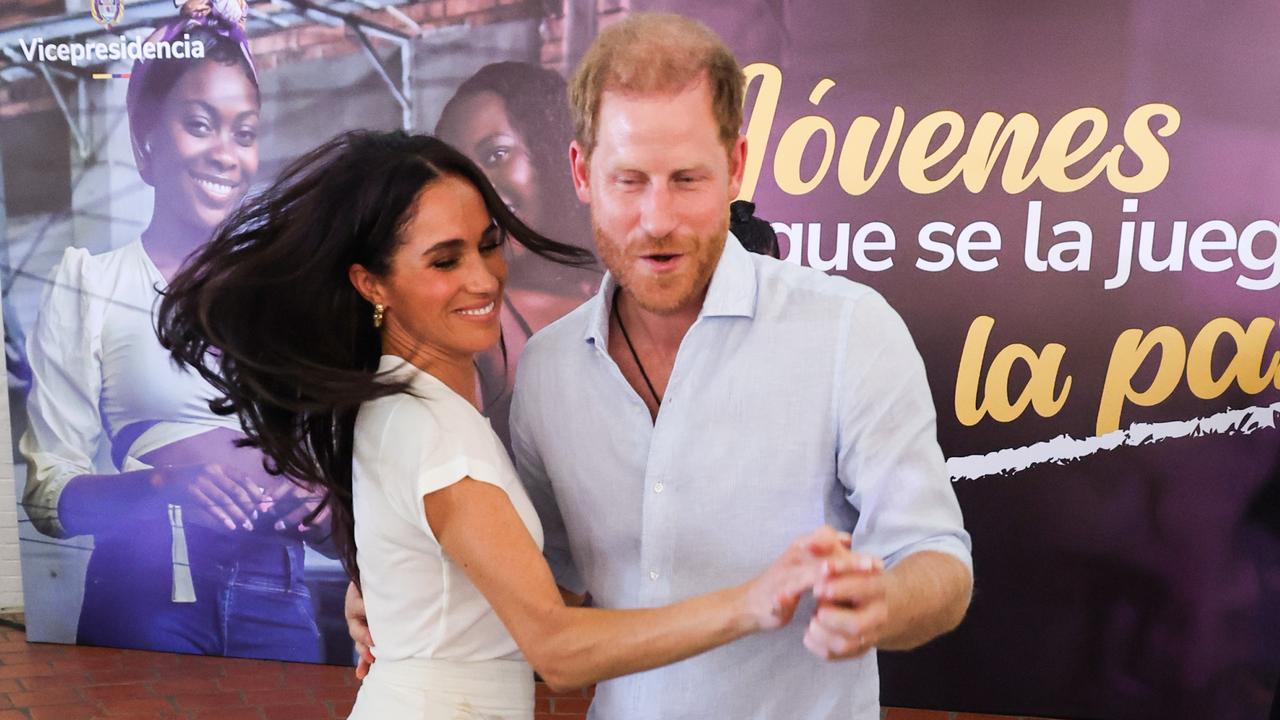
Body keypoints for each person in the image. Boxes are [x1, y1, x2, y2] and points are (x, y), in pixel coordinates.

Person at [156, 129, 866, 718]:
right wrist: (754, 601)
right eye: (444, 259)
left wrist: (392, 595)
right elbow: (556, 649)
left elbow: (511, 591)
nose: (484, 278)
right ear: (371, 282)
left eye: (487, 243)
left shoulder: (400, 402)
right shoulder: (437, 434)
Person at [503, 12, 974, 718]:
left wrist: (883, 601)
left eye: (687, 179)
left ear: (737, 167)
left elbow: (940, 563)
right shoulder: (544, 372)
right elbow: (550, 593)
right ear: (581, 172)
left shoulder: (850, 330)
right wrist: (400, 596)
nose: (657, 219)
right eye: (629, 180)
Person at [19, 7, 329, 661]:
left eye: (244, 132)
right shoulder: (91, 285)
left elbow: (335, 481)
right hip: (147, 599)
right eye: (199, 124)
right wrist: (161, 491)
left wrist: (327, 507)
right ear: (145, 141)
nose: (226, 152)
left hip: (280, 602)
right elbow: (49, 493)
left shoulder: (291, 299)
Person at [435, 62, 601, 443]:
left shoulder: (628, 284)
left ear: (552, 149)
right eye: (458, 173)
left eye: (496, 155)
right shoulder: (484, 327)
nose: (479, 189)